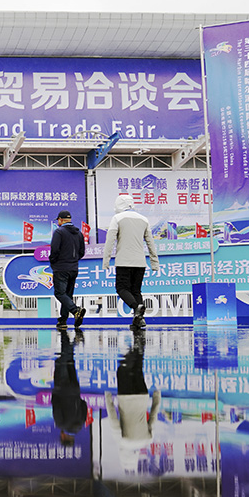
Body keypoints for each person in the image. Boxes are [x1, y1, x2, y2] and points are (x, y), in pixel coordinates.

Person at [105, 328, 161, 471]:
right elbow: (113, 419)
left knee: (138, 368)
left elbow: (153, 416)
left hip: (142, 396)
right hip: (126, 397)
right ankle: (133, 346)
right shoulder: (122, 441)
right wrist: (108, 398)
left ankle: (139, 338)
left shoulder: (147, 440)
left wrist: (157, 396)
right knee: (123, 370)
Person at [102, 195, 160, 329]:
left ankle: (136, 308)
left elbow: (110, 241)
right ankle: (140, 320)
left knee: (121, 288)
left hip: (124, 261)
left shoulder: (117, 218)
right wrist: (154, 263)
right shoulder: (144, 219)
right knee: (136, 291)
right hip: (140, 263)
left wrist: (106, 261)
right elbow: (150, 243)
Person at [50, 210, 86, 330]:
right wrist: (73, 260)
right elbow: (82, 252)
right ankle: (63, 320)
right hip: (73, 268)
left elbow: (54, 250)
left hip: (61, 268)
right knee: (67, 295)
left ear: (60, 220)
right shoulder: (79, 233)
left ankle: (75, 310)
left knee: (59, 293)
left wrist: (53, 261)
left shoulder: (59, 232)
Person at [52, 330, 87, 446]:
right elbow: (56, 407)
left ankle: (65, 337)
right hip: (62, 389)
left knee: (69, 361)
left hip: (75, 389)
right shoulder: (61, 424)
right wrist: (55, 393)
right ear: (63, 437)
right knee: (62, 361)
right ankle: (71, 341)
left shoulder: (80, 424)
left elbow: (84, 405)